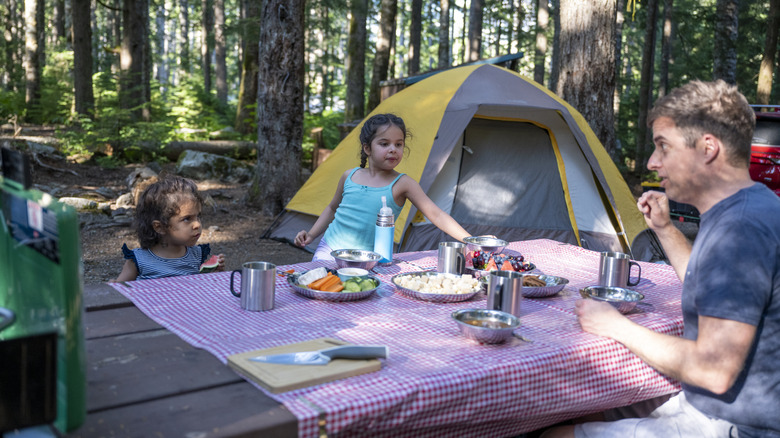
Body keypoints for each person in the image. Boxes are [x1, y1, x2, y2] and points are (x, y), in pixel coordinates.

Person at [543, 80, 780, 437]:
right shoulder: (753, 204)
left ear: (708, 148)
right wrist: (666, 230)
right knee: (568, 406)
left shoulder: (740, 228)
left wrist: (615, 326)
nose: (653, 162)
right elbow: (711, 285)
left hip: (732, 424)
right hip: (711, 405)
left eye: (663, 147)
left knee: (552, 434)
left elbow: (712, 371)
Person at [294, 113, 474, 260]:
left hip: (372, 259)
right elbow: (332, 208)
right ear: (367, 148)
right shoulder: (349, 176)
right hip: (331, 250)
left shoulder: (403, 183)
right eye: (384, 144)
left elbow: (437, 214)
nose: (393, 149)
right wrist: (311, 235)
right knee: (321, 293)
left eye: (399, 144)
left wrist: (471, 240)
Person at [115, 175, 225, 281]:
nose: (197, 225)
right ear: (160, 227)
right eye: (187, 219)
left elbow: (200, 284)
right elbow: (117, 292)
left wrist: (214, 273)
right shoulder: (138, 260)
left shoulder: (196, 255)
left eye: (198, 216)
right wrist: (113, 285)